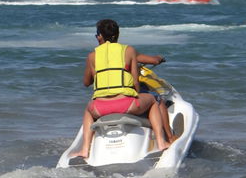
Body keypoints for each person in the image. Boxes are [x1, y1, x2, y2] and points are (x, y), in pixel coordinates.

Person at [70, 19, 172, 159]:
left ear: (100, 36)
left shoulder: (92, 56)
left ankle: (84, 149)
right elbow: (135, 82)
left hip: (99, 108)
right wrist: (136, 95)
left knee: (88, 110)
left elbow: (86, 82)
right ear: (117, 34)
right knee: (154, 100)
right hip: (126, 105)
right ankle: (161, 142)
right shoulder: (129, 50)